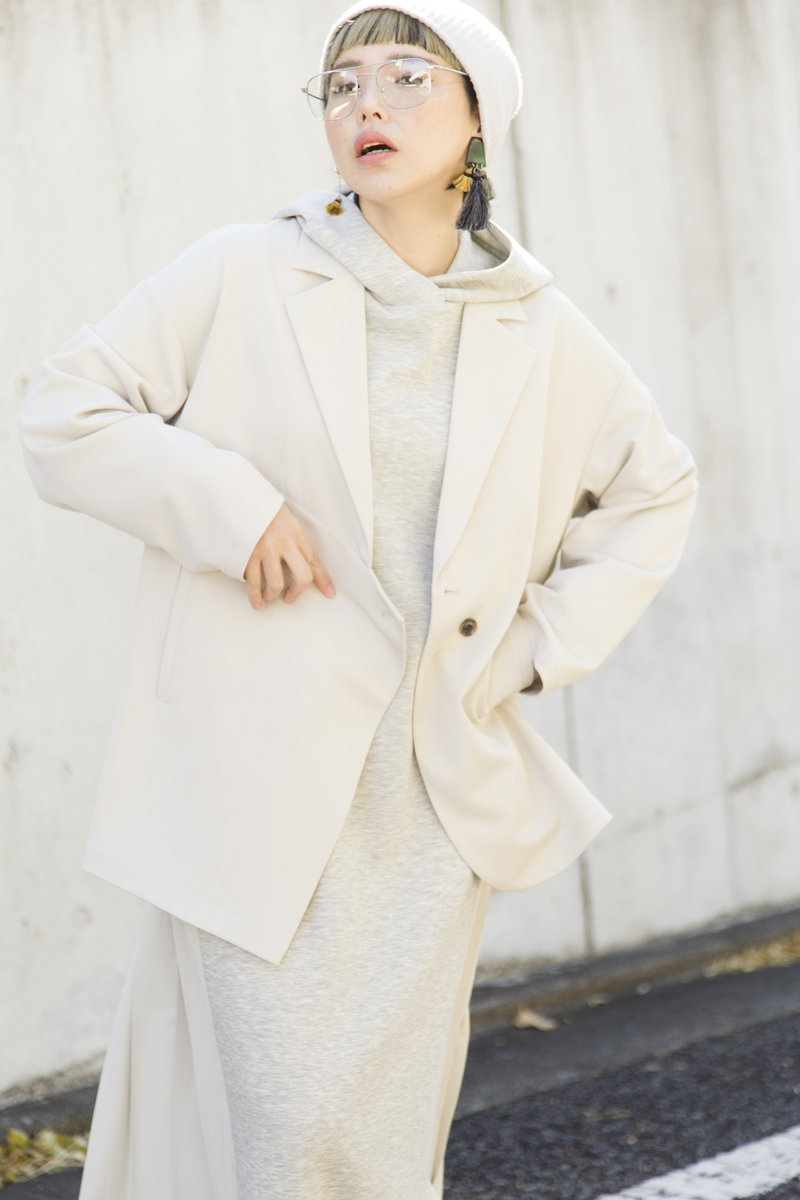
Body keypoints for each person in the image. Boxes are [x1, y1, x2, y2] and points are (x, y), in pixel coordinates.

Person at [20, 1, 698, 1197]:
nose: (366, 103)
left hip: (426, 799)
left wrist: (527, 650)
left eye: (405, 76)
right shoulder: (243, 269)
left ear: (479, 118)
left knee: (380, 1145)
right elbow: (63, 413)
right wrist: (231, 508)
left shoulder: (538, 327)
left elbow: (657, 492)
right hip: (255, 782)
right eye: (340, 84)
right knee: (284, 1138)